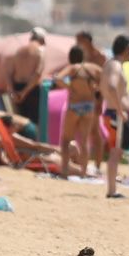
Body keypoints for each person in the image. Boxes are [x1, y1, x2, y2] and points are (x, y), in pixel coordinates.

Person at [50, 46, 104, 179]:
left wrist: (70, 87)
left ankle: (65, 172)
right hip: (89, 105)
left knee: (66, 140)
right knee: (84, 140)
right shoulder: (94, 68)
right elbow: (105, 82)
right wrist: (98, 97)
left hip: (75, 104)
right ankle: (83, 172)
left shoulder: (73, 68)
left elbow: (57, 78)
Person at [100, 35, 129, 199]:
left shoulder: (110, 64)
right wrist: (120, 110)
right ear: (127, 49)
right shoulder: (115, 66)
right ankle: (112, 190)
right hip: (116, 114)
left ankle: (112, 188)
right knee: (115, 152)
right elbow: (112, 86)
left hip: (114, 112)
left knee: (116, 151)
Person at [9, 28, 48, 133]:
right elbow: (38, 73)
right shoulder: (40, 50)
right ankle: (33, 146)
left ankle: (22, 147)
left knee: (20, 122)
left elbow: (9, 74)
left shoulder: (19, 50)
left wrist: (13, 91)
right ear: (42, 39)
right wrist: (24, 92)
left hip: (17, 88)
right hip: (31, 89)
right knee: (33, 123)